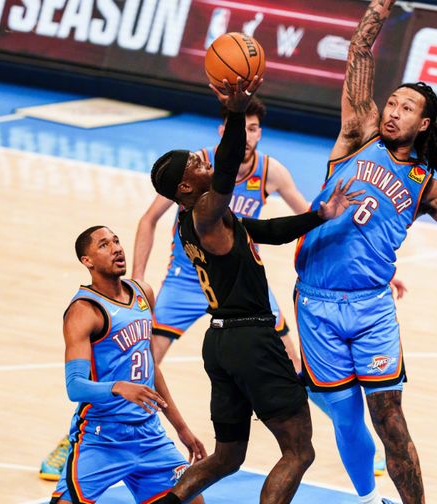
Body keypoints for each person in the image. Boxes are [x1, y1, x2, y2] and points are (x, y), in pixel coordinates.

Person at [293, 1, 437, 503]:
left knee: (390, 419)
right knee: (346, 417)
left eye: (406, 108)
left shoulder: (426, 186)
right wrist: (379, 7)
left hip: (371, 308)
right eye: (392, 102)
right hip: (316, 302)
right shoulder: (359, 134)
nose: (393, 111)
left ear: (424, 123)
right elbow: (359, 50)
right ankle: (366, 497)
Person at [151, 77, 363, 504]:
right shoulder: (206, 211)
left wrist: (318, 216)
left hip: (221, 342)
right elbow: (229, 163)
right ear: (185, 188)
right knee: (299, 451)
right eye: (196, 164)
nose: (205, 161)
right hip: (252, 339)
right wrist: (235, 111)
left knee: (227, 457)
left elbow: (268, 230)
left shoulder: (202, 220)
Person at [132, 97, 307, 368]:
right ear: (224, 130)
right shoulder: (196, 167)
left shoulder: (271, 171)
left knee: (290, 359)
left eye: (253, 129)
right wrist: (137, 278)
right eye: (241, 128)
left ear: (260, 133)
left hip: (241, 277)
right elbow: (148, 219)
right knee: (145, 361)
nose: (246, 136)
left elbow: (308, 217)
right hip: (188, 276)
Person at [50, 226, 206, 504]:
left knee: (192, 499)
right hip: (102, 437)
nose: (116, 248)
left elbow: (150, 366)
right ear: (87, 261)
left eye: (116, 241)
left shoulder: (143, 292)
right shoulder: (84, 311)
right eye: (104, 245)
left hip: (149, 435)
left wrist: (181, 428)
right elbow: (75, 387)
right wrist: (118, 387)